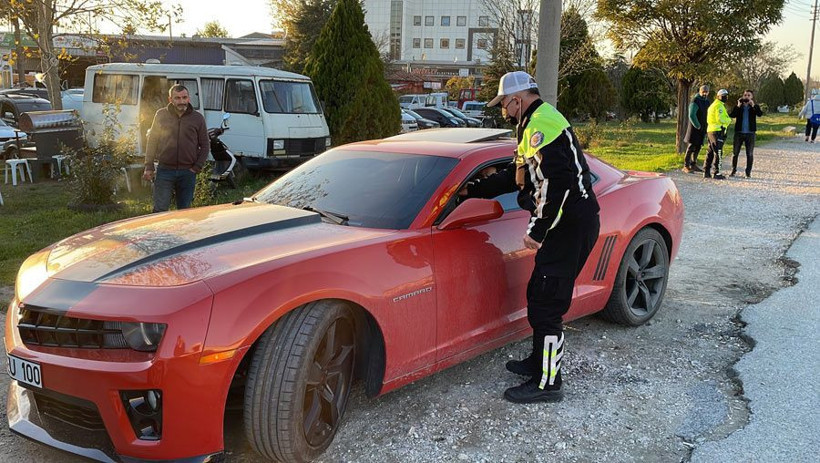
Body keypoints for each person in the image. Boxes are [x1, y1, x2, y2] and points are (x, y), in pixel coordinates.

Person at [459, 71, 600, 403]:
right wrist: (472, 190)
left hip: (568, 226)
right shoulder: (531, 124)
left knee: (548, 305)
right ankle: (539, 363)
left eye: (504, 105)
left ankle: (549, 383)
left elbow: (558, 183)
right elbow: (518, 175)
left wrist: (538, 230)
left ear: (517, 100)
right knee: (540, 296)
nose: (503, 112)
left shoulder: (541, 124)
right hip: (563, 226)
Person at [143, 84, 209, 212]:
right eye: (177, 98)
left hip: (187, 172)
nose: (181, 101)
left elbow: (205, 145)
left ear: (189, 98)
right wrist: (148, 166)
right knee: (160, 210)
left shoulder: (197, 118)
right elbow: (152, 141)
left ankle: (182, 233)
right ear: (170, 99)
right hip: (165, 171)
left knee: (184, 212)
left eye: (184, 97)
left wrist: (197, 167)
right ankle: (158, 232)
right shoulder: (161, 115)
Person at [729, 89, 763, 178]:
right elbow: (732, 115)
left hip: (750, 133)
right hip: (739, 133)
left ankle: (748, 172)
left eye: (748, 95)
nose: (746, 97)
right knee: (735, 153)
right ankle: (733, 170)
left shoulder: (754, 107)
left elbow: (759, 114)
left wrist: (753, 106)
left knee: (750, 154)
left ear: (751, 97)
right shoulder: (739, 107)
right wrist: (738, 105)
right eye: (745, 95)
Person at [703, 88, 731, 179]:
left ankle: (706, 171)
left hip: (710, 130)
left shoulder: (713, 105)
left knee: (710, 151)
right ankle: (716, 172)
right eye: (723, 96)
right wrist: (728, 120)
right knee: (718, 152)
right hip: (718, 131)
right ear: (718, 96)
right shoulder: (719, 106)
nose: (725, 98)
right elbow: (721, 119)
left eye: (726, 96)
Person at [683, 85, 710, 173]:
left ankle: (693, 164)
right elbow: (691, 115)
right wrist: (697, 125)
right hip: (694, 128)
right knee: (691, 146)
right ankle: (686, 165)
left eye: (706, 92)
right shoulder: (695, 101)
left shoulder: (707, 102)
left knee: (698, 146)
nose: (705, 93)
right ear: (700, 91)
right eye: (703, 92)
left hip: (703, 127)